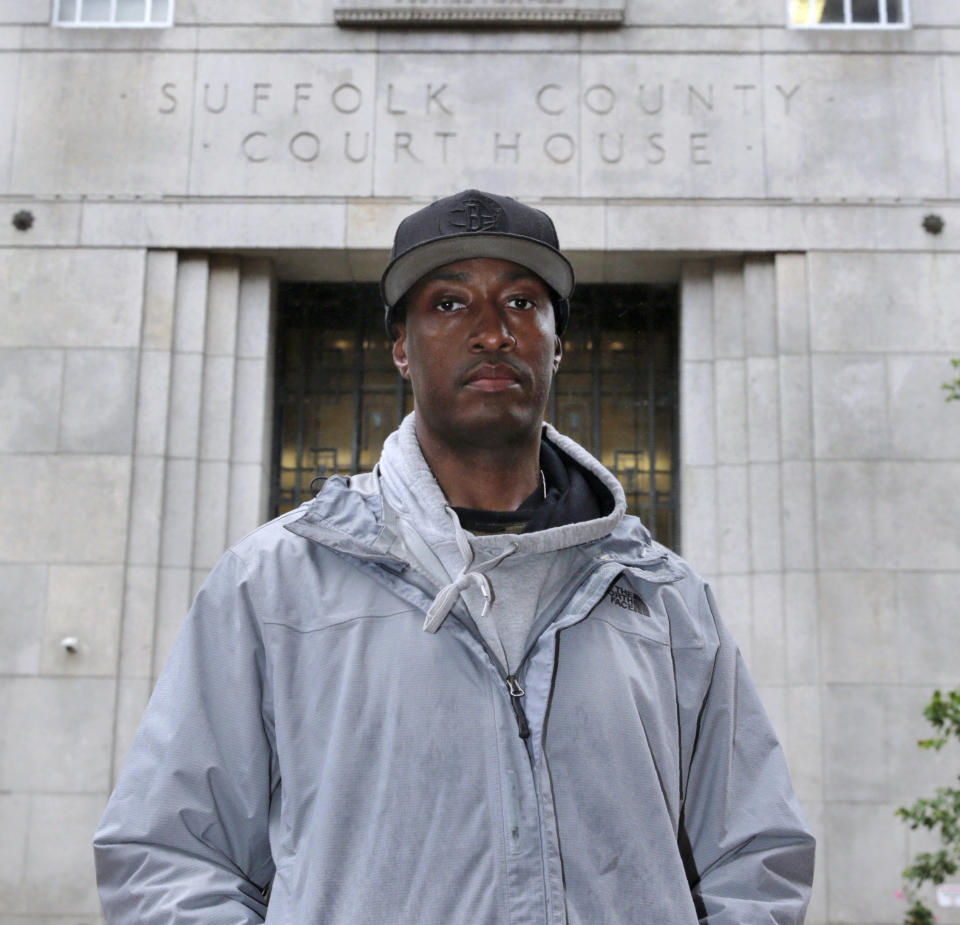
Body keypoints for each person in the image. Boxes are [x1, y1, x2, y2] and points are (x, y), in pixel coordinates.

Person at [94, 188, 815, 924]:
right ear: (400, 346)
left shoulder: (663, 596)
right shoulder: (273, 584)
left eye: (523, 302)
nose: (492, 331)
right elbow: (168, 855)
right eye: (448, 303)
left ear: (557, 344)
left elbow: (755, 854)